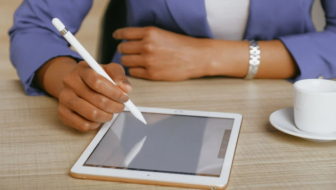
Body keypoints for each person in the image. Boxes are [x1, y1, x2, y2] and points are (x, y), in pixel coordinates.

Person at [9, 0, 336, 132]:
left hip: (286, 108)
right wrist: (67, 78)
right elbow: (35, 25)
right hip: (142, 105)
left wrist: (208, 56)